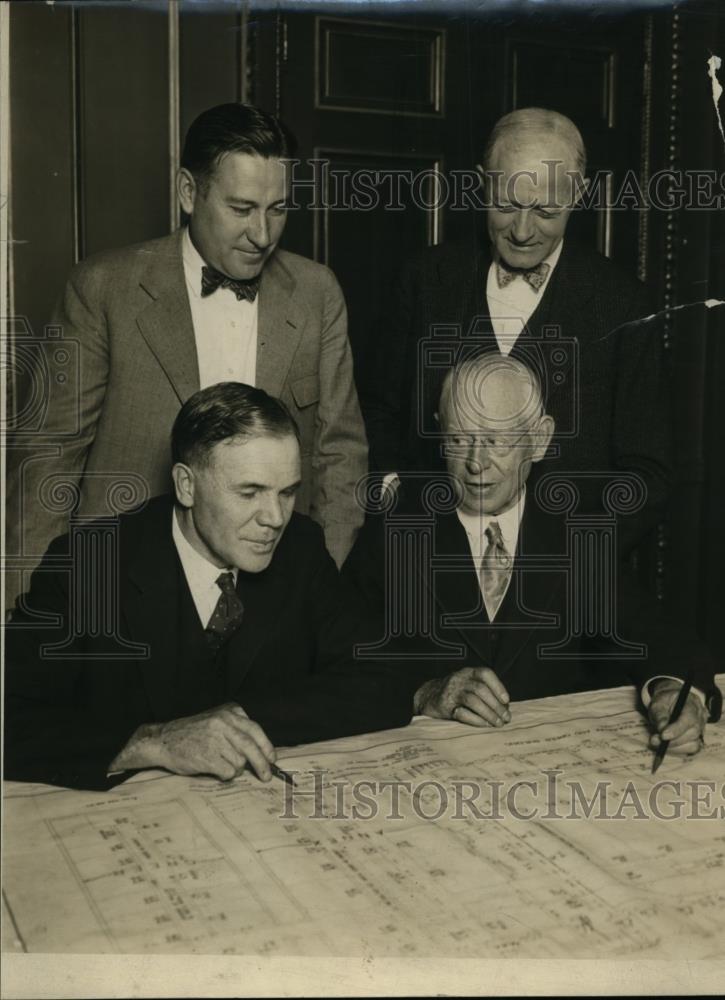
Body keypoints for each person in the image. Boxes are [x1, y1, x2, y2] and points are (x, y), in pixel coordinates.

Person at [6, 102, 367, 613]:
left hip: (272, 592)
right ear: (188, 193)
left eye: (279, 209)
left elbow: (340, 457)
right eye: (241, 209)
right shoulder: (103, 289)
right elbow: (48, 462)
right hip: (122, 591)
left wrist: (310, 591)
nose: (262, 235)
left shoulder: (317, 293)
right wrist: (27, 611)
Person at [4, 383, 411, 792]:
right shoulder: (88, 564)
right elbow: (11, 718)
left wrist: (240, 716)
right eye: (249, 492)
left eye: (287, 492)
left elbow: (385, 678)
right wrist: (151, 742)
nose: (274, 517)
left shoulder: (300, 549)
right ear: (186, 485)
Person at [346, 354, 720, 753]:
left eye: (496, 441)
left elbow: (656, 634)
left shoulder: (574, 535)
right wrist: (421, 693)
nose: (476, 463)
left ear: (539, 439)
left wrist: (673, 692)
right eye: (458, 439)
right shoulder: (397, 528)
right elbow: (340, 652)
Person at [363, 107, 670, 555]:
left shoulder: (626, 305)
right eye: (505, 205)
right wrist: (402, 511)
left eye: (545, 210)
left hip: (569, 582)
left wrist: (568, 556)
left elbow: (649, 474)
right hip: (430, 564)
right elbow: (377, 415)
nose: (523, 232)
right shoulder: (424, 280)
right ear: (480, 182)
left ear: (579, 194)